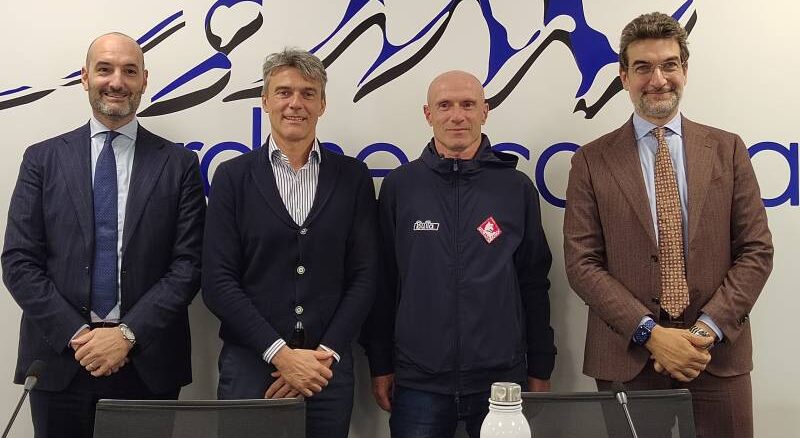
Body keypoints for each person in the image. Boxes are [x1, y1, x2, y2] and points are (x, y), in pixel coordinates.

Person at [563, 12, 773, 438]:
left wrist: (703, 331)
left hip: (716, 357)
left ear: (685, 71)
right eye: (643, 67)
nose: (658, 79)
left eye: (669, 65)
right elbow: (582, 264)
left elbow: (756, 250)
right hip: (628, 358)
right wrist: (651, 334)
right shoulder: (590, 161)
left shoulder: (728, 150)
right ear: (624, 77)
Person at [1, 32, 206, 438]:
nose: (117, 81)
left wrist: (126, 335)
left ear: (144, 80)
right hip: (60, 361)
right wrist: (79, 336)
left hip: (146, 363)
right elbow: (19, 261)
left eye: (129, 71)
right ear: (85, 77)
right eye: (105, 69)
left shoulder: (179, 164)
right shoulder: (42, 159)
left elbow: (189, 265)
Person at [362, 70, 555, 438]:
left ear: (485, 111)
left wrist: (541, 368)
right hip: (418, 381)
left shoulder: (515, 188)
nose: (457, 116)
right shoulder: (401, 187)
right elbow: (383, 283)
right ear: (428, 114)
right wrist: (380, 363)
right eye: (444, 105)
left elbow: (534, 283)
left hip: (501, 380)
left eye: (468, 105)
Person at [202, 48, 378, 438]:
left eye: (307, 93)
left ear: (322, 104)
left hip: (326, 371)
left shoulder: (352, 178)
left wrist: (323, 356)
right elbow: (218, 282)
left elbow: (365, 276)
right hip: (252, 369)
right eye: (283, 92)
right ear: (265, 100)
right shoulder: (232, 178)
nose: (295, 103)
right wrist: (281, 355)